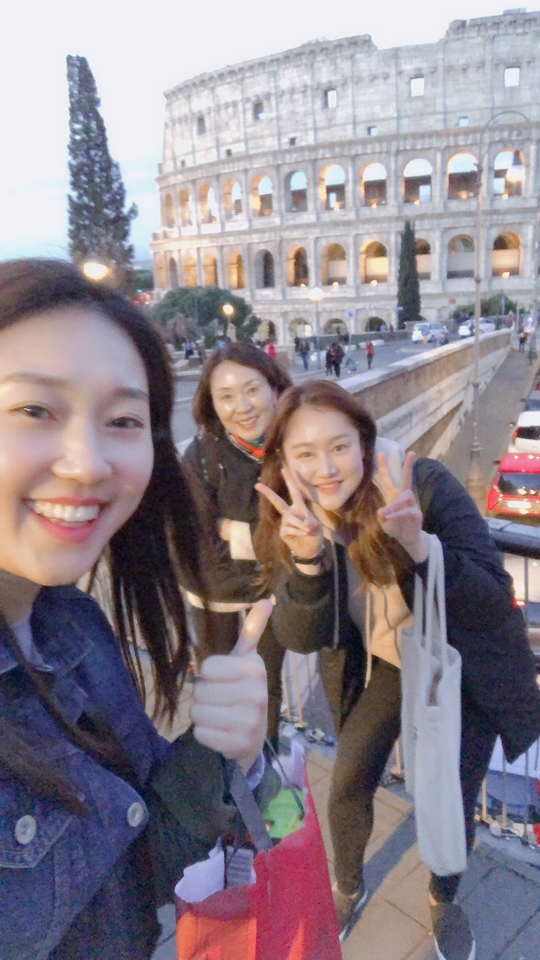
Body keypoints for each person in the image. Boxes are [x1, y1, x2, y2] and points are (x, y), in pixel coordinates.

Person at [0, 258, 274, 960]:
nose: (87, 463)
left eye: (123, 420)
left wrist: (225, 751)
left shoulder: (76, 628)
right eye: (34, 409)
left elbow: (143, 856)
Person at [254, 380, 540, 960]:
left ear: (364, 442)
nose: (325, 468)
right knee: (349, 777)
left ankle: (443, 897)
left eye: (339, 447)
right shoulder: (299, 519)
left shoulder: (423, 485)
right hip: (389, 661)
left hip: (457, 662)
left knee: (450, 793)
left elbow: (492, 599)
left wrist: (419, 546)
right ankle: (347, 886)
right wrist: (307, 562)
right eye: (305, 453)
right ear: (284, 462)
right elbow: (300, 637)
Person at [182, 341, 292, 748]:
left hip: (270, 593)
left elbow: (304, 527)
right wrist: (266, 541)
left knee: (266, 686)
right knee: (220, 688)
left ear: (275, 389)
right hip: (215, 599)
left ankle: (265, 762)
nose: (241, 407)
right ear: (212, 403)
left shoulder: (291, 449)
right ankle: (224, 770)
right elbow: (199, 540)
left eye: (252, 389)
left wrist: (235, 531)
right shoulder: (202, 454)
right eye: (226, 396)